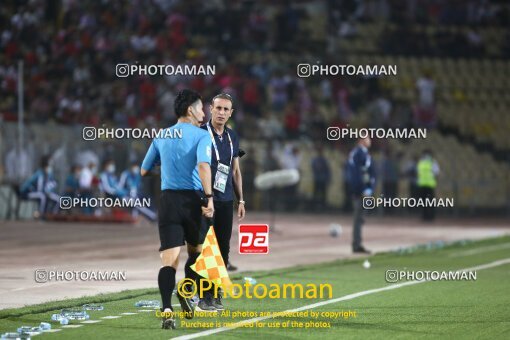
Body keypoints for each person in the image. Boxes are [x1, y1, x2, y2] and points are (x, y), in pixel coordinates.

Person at [141, 89, 214, 330]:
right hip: (193, 201)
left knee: (168, 262)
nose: (205, 112)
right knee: (198, 253)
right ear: (191, 110)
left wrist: (166, 170)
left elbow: (144, 170)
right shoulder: (202, 135)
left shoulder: (161, 135)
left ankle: (166, 309)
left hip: (168, 200)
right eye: (202, 107)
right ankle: (185, 291)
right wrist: (210, 198)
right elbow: (204, 167)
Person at [199, 93, 245, 311]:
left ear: (231, 113)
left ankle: (215, 293)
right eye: (218, 108)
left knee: (223, 248)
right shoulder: (200, 133)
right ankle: (203, 297)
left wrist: (241, 200)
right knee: (207, 248)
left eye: (226, 109)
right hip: (206, 199)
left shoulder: (232, 137)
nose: (222, 113)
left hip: (226, 200)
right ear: (210, 108)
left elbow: (236, 171)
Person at [347, 137, 375, 253]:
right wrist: (362, 189)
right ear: (360, 140)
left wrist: (370, 188)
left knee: (361, 218)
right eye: (366, 138)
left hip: (365, 189)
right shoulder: (358, 153)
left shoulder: (364, 153)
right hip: (360, 191)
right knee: (358, 217)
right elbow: (357, 173)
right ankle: (357, 245)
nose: (369, 141)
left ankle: (357, 243)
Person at [417, 149, 440, 222]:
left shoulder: (433, 162)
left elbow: (436, 172)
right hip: (422, 184)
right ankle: (424, 216)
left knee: (430, 202)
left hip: (430, 185)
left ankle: (431, 216)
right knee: (423, 202)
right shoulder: (421, 162)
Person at [311, 146, 331, 210]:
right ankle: (314, 206)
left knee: (323, 193)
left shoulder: (324, 160)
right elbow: (313, 168)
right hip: (317, 178)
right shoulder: (315, 159)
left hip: (322, 179)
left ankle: (323, 205)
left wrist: (328, 178)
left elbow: (327, 169)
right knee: (316, 193)